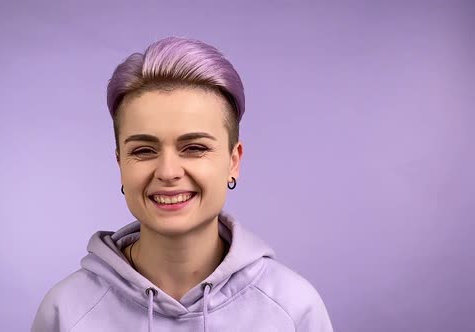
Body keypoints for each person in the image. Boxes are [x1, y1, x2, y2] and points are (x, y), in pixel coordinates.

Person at [31, 36, 333, 332]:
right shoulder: (66, 312)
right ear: (120, 163)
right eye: (144, 151)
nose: (168, 172)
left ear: (233, 162)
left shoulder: (293, 308)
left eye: (195, 148)